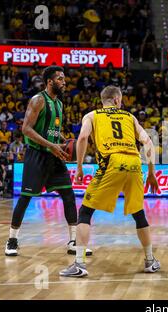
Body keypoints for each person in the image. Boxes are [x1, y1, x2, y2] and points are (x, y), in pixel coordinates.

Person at [59, 85, 160, 277]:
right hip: (134, 163)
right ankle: (149, 261)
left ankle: (79, 264)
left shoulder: (91, 116)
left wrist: (79, 166)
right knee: (139, 214)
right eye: (120, 100)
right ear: (116, 100)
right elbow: (148, 142)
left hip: (111, 162)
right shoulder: (130, 117)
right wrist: (152, 172)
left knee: (86, 211)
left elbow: (82, 138)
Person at [4, 66, 92, 257]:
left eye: (64, 79)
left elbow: (51, 130)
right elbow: (26, 129)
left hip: (54, 155)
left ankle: (73, 241)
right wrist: (50, 145)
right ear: (50, 82)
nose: (64, 82)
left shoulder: (59, 104)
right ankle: (12, 240)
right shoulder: (38, 100)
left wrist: (62, 141)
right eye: (60, 79)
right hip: (37, 155)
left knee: (68, 195)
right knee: (26, 198)